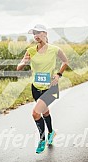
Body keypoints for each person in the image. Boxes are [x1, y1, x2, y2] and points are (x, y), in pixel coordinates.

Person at [17, 24, 68, 154]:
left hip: (50, 88)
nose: (36, 35)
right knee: (44, 112)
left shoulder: (55, 49)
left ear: (45, 33)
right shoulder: (30, 50)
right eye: (34, 33)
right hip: (36, 88)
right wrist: (24, 63)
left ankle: (42, 139)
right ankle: (51, 132)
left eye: (38, 32)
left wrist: (58, 74)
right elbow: (19, 67)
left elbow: (65, 62)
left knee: (35, 113)